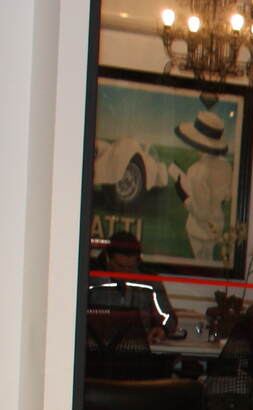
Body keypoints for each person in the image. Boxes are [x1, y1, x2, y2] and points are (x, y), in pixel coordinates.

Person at [88, 230, 178, 340]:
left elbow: (169, 317)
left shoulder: (150, 282)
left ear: (138, 261)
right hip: (96, 344)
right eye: (120, 267)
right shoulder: (90, 280)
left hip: (140, 345)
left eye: (131, 268)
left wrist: (163, 329)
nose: (125, 273)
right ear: (108, 258)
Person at [173, 109, 235, 265]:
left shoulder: (196, 171)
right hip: (218, 225)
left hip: (199, 231)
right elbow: (227, 196)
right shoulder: (226, 166)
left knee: (201, 262)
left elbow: (201, 214)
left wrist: (183, 196)